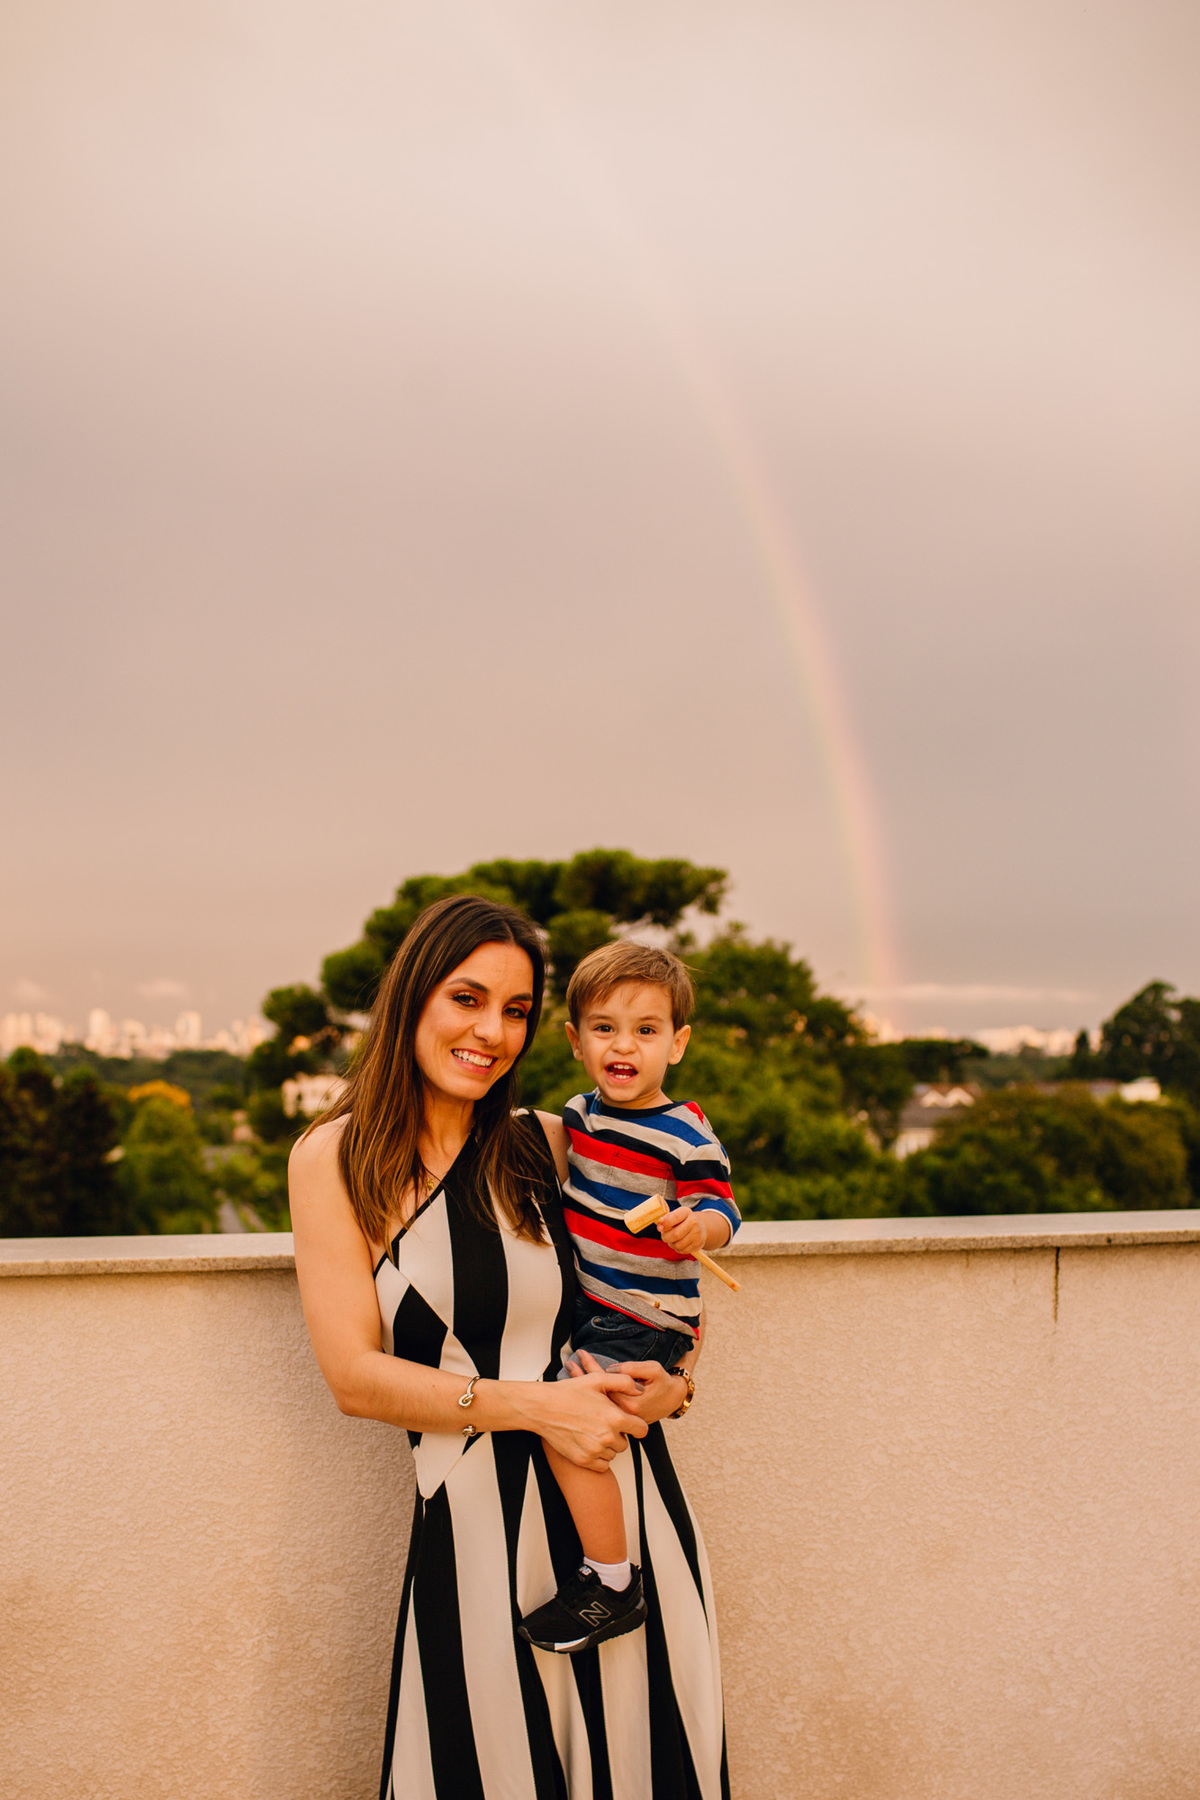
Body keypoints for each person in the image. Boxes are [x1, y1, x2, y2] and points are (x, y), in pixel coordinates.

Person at [289, 894, 729, 1800]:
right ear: (414, 998)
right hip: (473, 1531)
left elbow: (660, 1290)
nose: (491, 1031)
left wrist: (673, 1387)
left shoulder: (554, 1145)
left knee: (644, 1766)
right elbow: (354, 1379)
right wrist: (541, 1408)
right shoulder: (334, 1161)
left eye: (517, 1011)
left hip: (621, 1519)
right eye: (466, 998)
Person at [518, 940, 739, 1656]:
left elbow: (724, 1213)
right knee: (567, 1421)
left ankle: (612, 1583)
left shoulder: (684, 1133)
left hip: (645, 1319)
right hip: (595, 1307)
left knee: (568, 1434)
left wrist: (692, 1225)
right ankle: (602, 1567)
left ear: (677, 1045)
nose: (625, 1045)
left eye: (647, 1030)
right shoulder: (578, 1117)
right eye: (605, 1027)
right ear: (576, 1041)